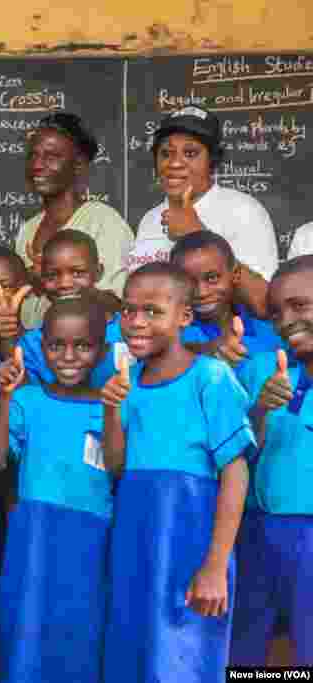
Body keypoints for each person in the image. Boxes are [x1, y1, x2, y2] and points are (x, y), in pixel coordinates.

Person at [100, 262, 254, 683]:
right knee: (134, 655)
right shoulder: (128, 383)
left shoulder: (211, 377)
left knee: (183, 660)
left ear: (184, 317)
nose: (136, 322)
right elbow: (116, 467)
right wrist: (112, 410)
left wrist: (215, 565)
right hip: (136, 544)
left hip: (190, 543)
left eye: (152, 311)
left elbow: (235, 474)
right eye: (128, 311)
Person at [0, 298, 115, 683]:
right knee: (27, 627)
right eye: (56, 345)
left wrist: (112, 414)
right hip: (35, 532)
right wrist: (4, 397)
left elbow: (119, 469)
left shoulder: (113, 406)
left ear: (102, 350)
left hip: (92, 534)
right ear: (42, 348)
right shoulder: (26, 399)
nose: (69, 356)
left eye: (83, 345)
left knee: (82, 629)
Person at [229, 256, 313, 665]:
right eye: (277, 312)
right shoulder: (261, 367)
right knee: (247, 645)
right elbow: (235, 455)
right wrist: (259, 410)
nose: (287, 320)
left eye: (301, 306)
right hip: (258, 528)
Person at [127, 106, 278, 317]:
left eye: (190, 153)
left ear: (212, 161)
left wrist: (196, 233)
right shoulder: (150, 219)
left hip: (233, 340)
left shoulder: (244, 211)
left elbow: (264, 303)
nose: (175, 163)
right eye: (165, 153)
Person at [17, 111, 134, 329]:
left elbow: (119, 305)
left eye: (51, 157)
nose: (37, 165)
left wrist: (48, 280)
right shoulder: (27, 229)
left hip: (85, 355)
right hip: (34, 355)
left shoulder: (104, 222)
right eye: (32, 156)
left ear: (78, 164)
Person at [15, 231, 124, 387]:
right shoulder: (33, 343)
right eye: (52, 275)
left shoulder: (127, 333)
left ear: (98, 272)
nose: (65, 283)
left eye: (77, 273)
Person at [170, 231, 283, 366]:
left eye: (212, 278)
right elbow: (159, 361)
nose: (201, 292)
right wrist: (204, 350)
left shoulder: (270, 332)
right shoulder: (170, 333)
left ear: (235, 274)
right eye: (189, 281)